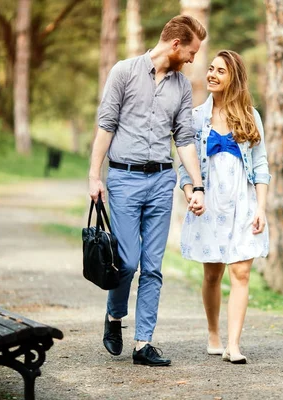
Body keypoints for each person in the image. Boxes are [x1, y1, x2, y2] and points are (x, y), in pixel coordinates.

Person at [88, 15, 207, 367]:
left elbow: (183, 138)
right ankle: (114, 316)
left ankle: (143, 343)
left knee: (153, 267)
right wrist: (95, 176)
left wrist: (196, 185)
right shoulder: (123, 72)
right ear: (175, 44)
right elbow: (106, 125)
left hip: (160, 182)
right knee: (125, 262)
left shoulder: (182, 86)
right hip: (123, 179)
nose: (192, 59)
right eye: (191, 51)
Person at [178, 50, 270, 364]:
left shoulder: (251, 116)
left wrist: (261, 207)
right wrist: (192, 192)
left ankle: (234, 345)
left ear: (234, 77)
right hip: (210, 204)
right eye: (212, 69)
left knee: (241, 273)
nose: (213, 75)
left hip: (243, 204)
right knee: (213, 275)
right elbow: (184, 169)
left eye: (221, 71)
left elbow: (261, 165)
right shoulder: (195, 117)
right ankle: (214, 334)